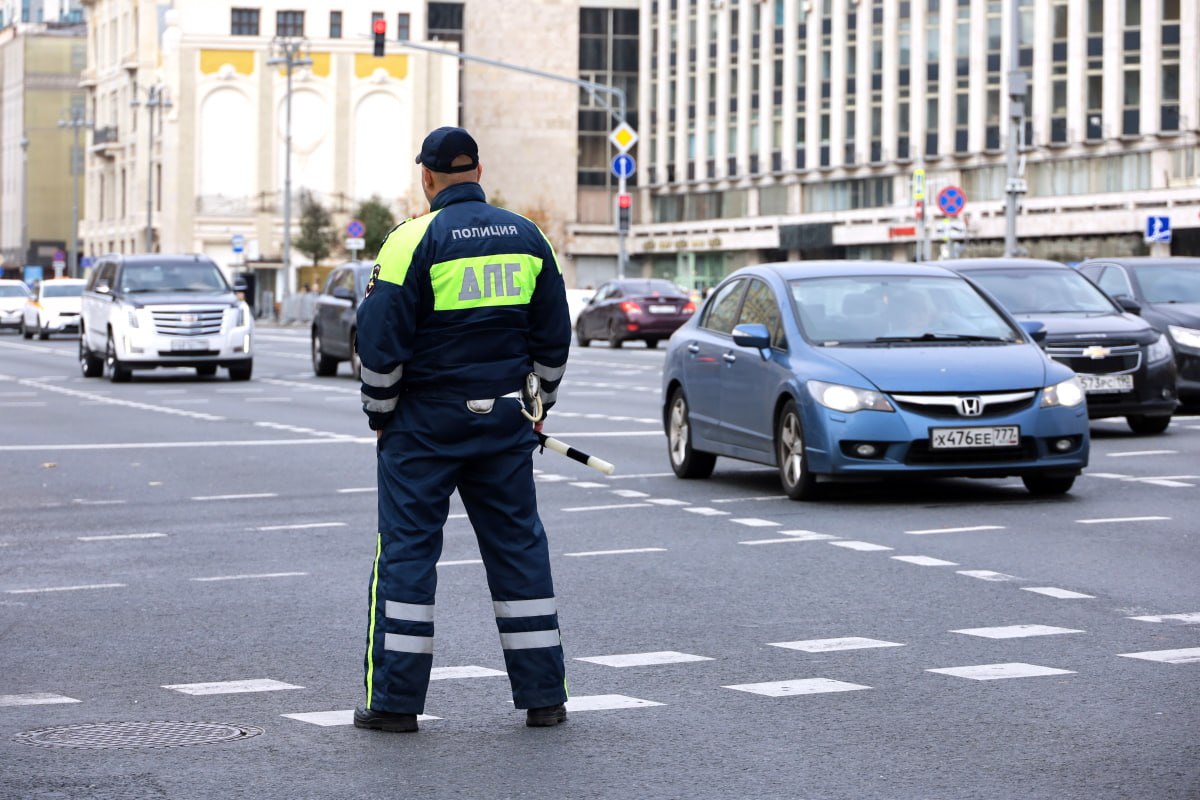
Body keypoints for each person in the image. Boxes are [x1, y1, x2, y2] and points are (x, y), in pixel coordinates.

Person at [353, 126, 572, 733]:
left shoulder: (410, 240)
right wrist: (538, 402)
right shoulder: (531, 238)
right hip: (503, 421)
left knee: (407, 555)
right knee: (518, 550)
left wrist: (380, 413)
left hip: (423, 427)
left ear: (425, 178)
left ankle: (395, 705)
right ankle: (543, 698)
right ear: (478, 170)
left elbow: (380, 343)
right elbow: (553, 338)